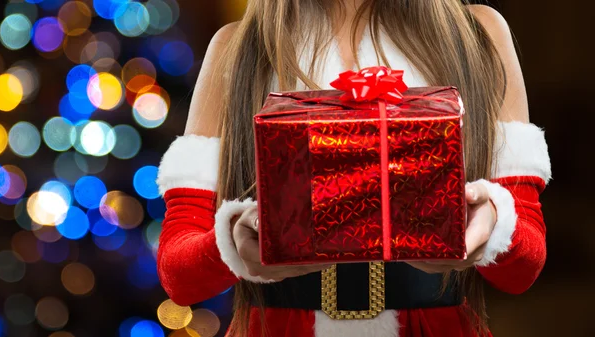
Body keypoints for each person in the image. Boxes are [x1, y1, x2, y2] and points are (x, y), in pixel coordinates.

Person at [155, 0, 551, 336]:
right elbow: (179, 277)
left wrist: (494, 226)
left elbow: (523, 270)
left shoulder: (478, 35)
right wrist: (231, 242)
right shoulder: (236, 48)